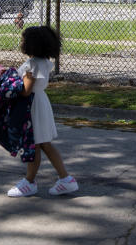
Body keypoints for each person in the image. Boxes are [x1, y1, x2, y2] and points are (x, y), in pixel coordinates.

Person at [4, 24, 79, 197]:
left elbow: (25, 90)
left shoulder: (31, 64)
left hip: (32, 106)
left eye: (23, 39)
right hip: (41, 103)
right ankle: (65, 179)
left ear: (32, 44)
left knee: (35, 145)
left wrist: (9, 81)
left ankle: (29, 183)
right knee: (43, 144)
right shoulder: (44, 62)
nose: (21, 41)